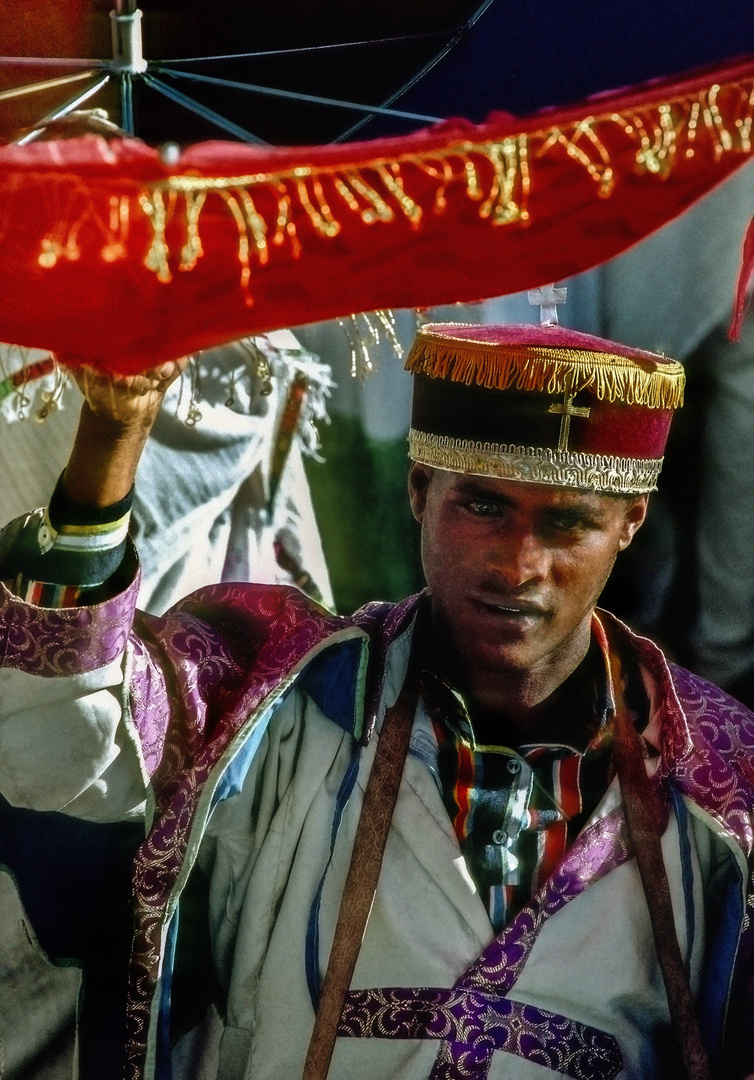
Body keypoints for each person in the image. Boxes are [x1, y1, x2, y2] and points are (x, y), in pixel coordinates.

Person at [0, 323, 752, 1080]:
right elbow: (59, 741)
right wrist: (113, 432)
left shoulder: (725, 790)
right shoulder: (278, 696)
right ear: (419, 489)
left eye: (567, 523)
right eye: (484, 507)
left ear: (630, 523)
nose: (519, 565)